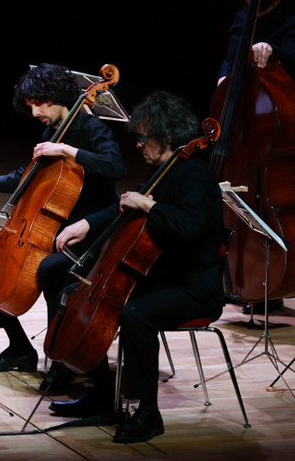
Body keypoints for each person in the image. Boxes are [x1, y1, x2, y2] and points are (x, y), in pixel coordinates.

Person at [51, 91, 228, 443]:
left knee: (135, 315)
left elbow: (189, 227)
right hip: (162, 275)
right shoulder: (163, 170)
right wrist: (87, 224)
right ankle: (103, 393)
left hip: (193, 287)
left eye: (144, 138)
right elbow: (125, 206)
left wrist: (149, 206)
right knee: (74, 288)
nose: (138, 145)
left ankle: (148, 413)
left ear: (167, 135)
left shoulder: (196, 175)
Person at [0, 63, 125, 389]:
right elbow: (30, 174)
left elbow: (116, 166)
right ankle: (19, 348)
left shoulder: (91, 129)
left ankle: (61, 362)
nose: (35, 113)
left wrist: (67, 150)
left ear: (59, 97)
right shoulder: (51, 132)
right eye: (30, 106)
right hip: (52, 228)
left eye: (39, 104)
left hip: (91, 230)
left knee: (51, 270)